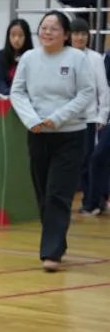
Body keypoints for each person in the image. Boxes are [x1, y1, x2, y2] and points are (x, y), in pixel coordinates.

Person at [9, 11, 96, 271]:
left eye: (54, 28)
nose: (47, 32)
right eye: (43, 27)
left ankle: (51, 252)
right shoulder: (29, 58)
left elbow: (86, 93)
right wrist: (31, 120)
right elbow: (17, 92)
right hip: (38, 134)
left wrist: (57, 118)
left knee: (58, 193)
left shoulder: (77, 58)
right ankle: (57, 240)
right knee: (43, 195)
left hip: (70, 135)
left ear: (66, 35)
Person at [67, 18, 110, 215]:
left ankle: (92, 201)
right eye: (76, 33)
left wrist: (102, 115)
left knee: (89, 160)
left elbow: (103, 89)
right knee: (75, 162)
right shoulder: (63, 57)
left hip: (90, 119)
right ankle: (90, 200)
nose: (80, 37)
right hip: (68, 119)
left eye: (84, 34)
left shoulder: (95, 58)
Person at [0, 19, 33, 98]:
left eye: (20, 35)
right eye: (13, 35)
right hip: (1, 99)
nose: (16, 39)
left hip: (25, 100)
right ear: (8, 36)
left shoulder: (33, 58)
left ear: (27, 37)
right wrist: (13, 95)